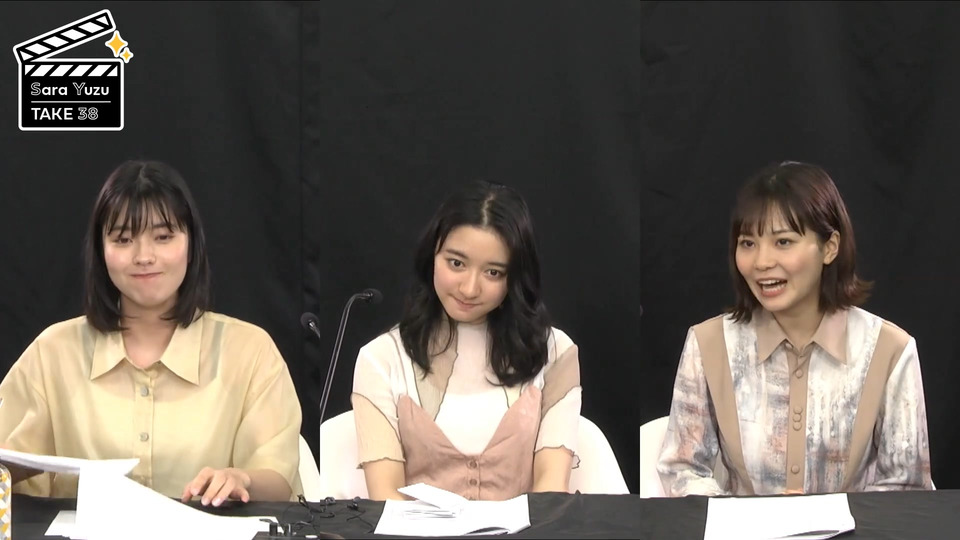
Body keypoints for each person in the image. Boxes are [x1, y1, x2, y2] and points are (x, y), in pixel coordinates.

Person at [0, 160, 302, 505]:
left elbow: (279, 480)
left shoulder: (250, 350)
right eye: (123, 239)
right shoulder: (53, 351)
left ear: (192, 243)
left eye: (163, 237)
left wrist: (240, 479)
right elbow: (8, 462)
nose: (144, 256)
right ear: (100, 250)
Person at [657, 160, 933, 496]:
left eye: (783, 242)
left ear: (830, 247)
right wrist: (751, 519)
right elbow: (681, 471)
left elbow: (908, 488)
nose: (761, 262)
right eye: (748, 243)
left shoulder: (890, 350)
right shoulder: (708, 344)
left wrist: (828, 517)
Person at [350, 180, 582, 501]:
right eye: (456, 263)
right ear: (432, 255)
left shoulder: (556, 352)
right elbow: (385, 496)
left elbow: (551, 488)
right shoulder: (380, 359)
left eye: (493, 273)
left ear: (515, 278)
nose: (469, 289)